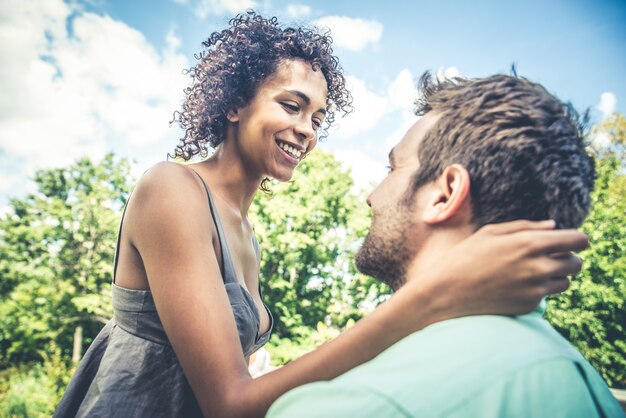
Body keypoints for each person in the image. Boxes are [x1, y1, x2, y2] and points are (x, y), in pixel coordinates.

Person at [54, 12, 590, 418]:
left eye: (318, 117)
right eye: (291, 106)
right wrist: (429, 300)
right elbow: (228, 401)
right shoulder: (172, 188)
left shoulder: (246, 231)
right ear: (234, 104)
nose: (308, 130)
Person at [266, 72, 626, 418]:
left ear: (445, 194)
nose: (371, 198)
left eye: (393, 169)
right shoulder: (584, 381)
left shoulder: (360, 403)